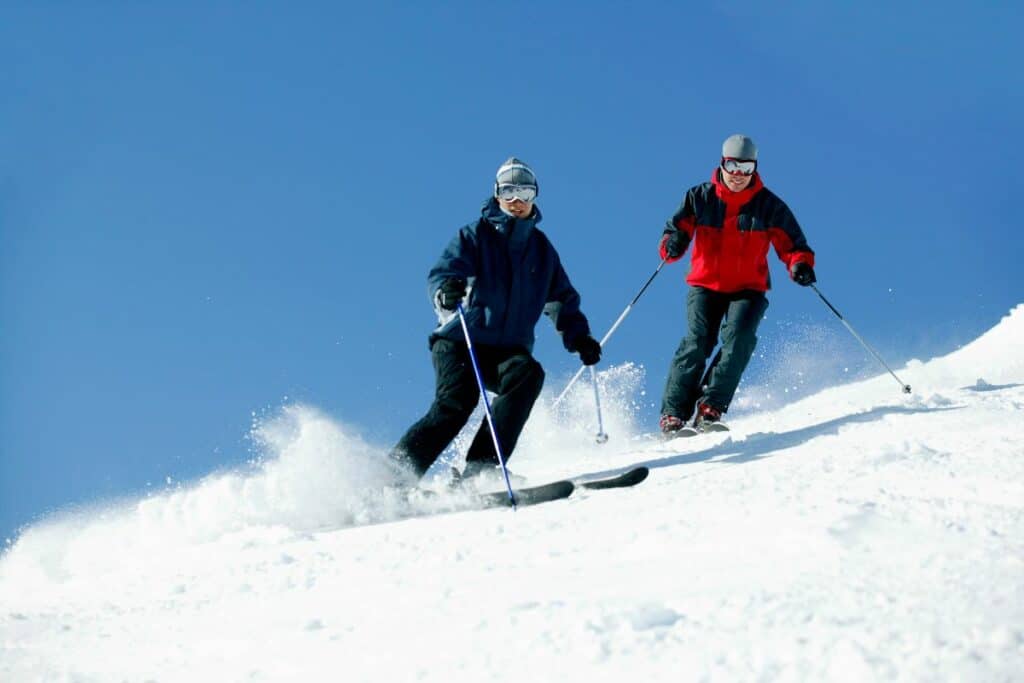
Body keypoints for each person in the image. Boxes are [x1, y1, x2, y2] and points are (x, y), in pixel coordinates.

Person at [390, 157, 602, 484]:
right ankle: (393, 478)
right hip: (461, 340)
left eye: (525, 193)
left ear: (535, 196)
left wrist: (579, 337)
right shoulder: (475, 235)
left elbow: (561, 299)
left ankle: (481, 468)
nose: (517, 201)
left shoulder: (542, 250)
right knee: (457, 404)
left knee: (527, 375)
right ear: (497, 194)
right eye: (508, 192)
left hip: (507, 350)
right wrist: (447, 291)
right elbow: (443, 273)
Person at [657, 134, 816, 434]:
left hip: (748, 288)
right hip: (705, 285)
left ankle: (710, 407)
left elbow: (794, 245)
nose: (738, 175)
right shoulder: (700, 197)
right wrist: (673, 244)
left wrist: (800, 264)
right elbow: (675, 230)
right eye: (733, 166)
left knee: (739, 341)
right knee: (697, 342)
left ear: (754, 168)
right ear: (722, 164)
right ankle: (673, 414)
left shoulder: (769, 206)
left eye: (746, 168)